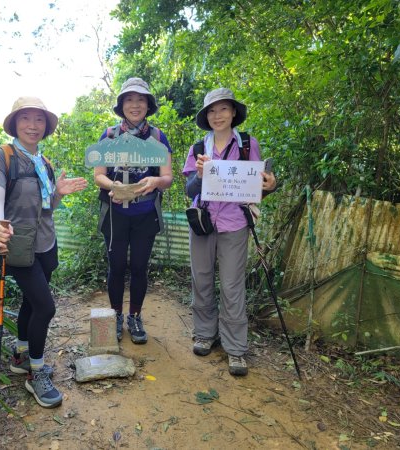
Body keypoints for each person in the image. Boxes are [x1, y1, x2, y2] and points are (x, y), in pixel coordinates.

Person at [0, 96, 87, 408]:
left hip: (46, 244)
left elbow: (45, 207)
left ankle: (21, 356)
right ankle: (36, 374)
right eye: (26, 118)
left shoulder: (44, 164)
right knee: (46, 307)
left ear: (46, 125)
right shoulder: (2, 158)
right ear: (15, 123)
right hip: (19, 246)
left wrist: (58, 195)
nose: (33, 125)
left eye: (39, 119)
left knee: (31, 302)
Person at [182, 87, 277, 376]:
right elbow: (189, 191)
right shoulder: (199, 149)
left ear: (234, 112)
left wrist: (271, 186)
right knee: (202, 279)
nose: (217, 115)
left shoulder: (247, 145)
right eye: (211, 110)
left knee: (233, 286)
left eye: (223, 109)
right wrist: (199, 176)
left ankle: (235, 348)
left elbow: (257, 187)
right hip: (203, 222)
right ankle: (204, 334)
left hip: (235, 223)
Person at [94, 77, 173, 344]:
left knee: (139, 267)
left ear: (148, 105)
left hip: (145, 213)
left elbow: (167, 177)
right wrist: (113, 184)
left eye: (140, 100)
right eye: (129, 99)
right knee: (116, 266)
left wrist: (156, 182)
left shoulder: (157, 137)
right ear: (122, 105)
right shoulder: (109, 135)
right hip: (115, 213)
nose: (135, 105)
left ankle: (135, 316)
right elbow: (99, 176)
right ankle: (115, 315)